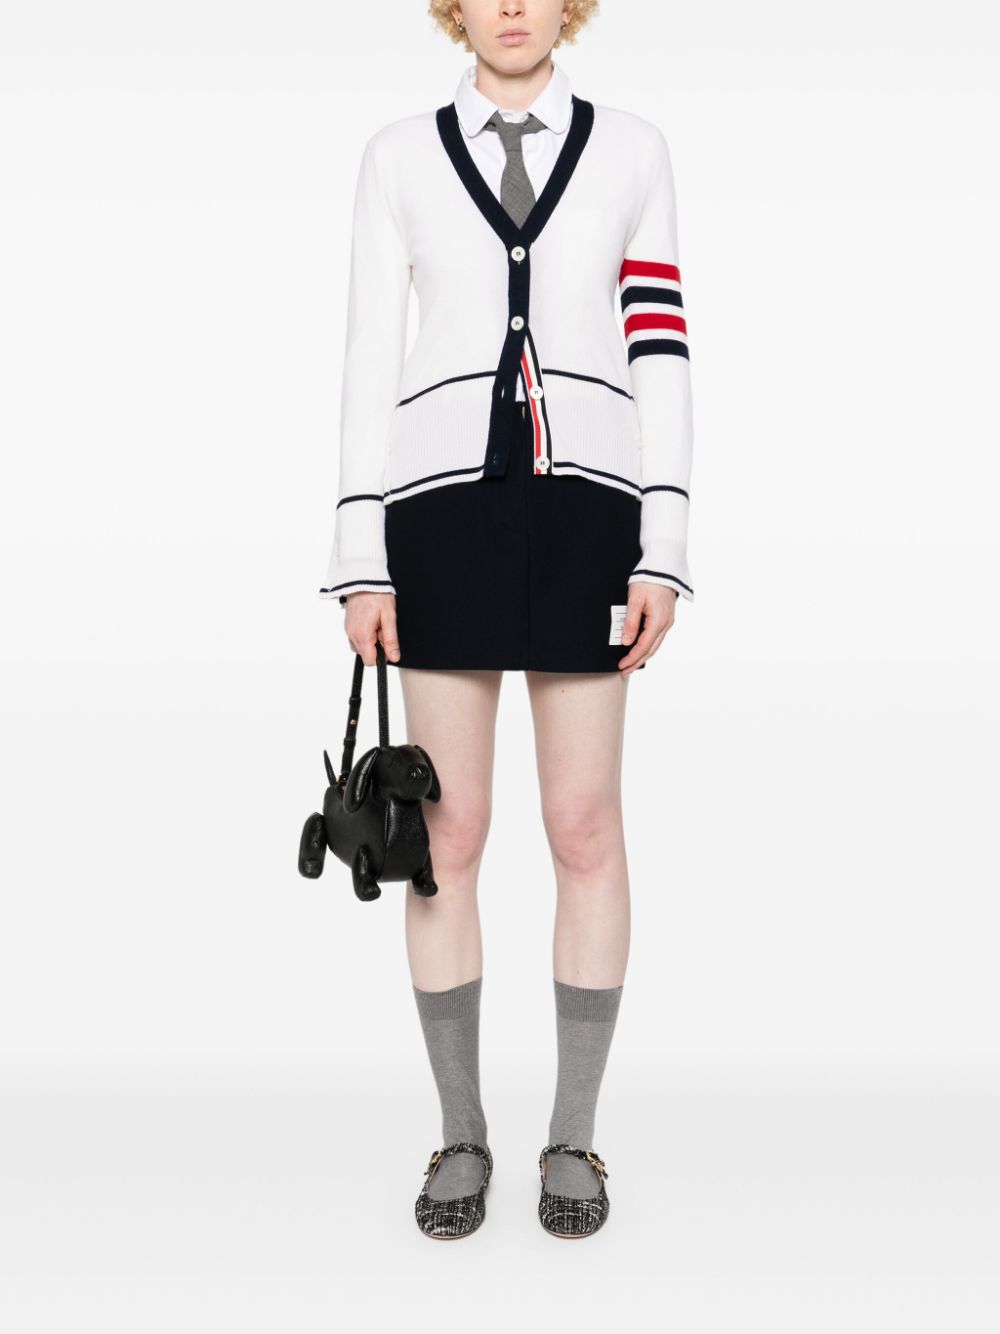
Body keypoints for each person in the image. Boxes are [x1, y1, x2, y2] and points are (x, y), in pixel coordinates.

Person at [318, 0, 695, 1239]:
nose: (513, 5)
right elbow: (368, 358)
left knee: (584, 823)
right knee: (448, 832)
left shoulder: (632, 150)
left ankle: (572, 1134)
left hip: (589, 515)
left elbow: (661, 350)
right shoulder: (396, 157)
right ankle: (462, 1131)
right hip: (437, 518)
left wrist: (663, 540)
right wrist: (360, 553)